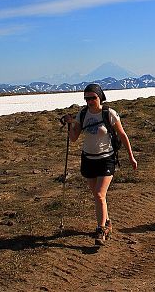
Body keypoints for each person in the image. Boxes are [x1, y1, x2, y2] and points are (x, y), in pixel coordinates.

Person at [63, 84, 137, 245]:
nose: (90, 101)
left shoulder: (109, 113)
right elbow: (74, 138)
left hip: (106, 159)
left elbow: (122, 135)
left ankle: (100, 230)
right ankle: (107, 222)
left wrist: (131, 157)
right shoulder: (82, 114)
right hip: (88, 159)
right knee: (98, 197)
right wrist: (71, 124)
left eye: (93, 98)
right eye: (87, 98)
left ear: (100, 97)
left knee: (99, 194)